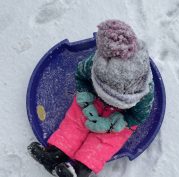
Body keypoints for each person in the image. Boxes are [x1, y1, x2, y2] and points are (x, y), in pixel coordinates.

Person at [28, 19, 154, 177]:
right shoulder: (93, 65)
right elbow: (81, 78)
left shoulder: (145, 91)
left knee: (107, 139)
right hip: (93, 99)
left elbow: (139, 115)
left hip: (121, 115)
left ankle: (80, 169)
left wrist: (119, 122)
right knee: (76, 119)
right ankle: (56, 153)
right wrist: (85, 98)